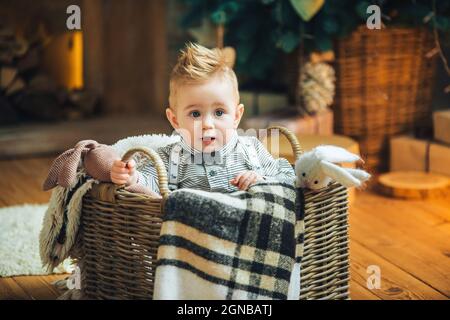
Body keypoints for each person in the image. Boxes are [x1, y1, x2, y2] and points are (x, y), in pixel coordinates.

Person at [110, 43, 295, 193]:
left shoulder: (252, 150)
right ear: (175, 121)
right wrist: (131, 177)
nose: (207, 124)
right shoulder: (169, 157)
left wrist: (262, 181)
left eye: (219, 113)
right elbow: (149, 186)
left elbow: (289, 177)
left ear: (237, 116)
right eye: (195, 114)